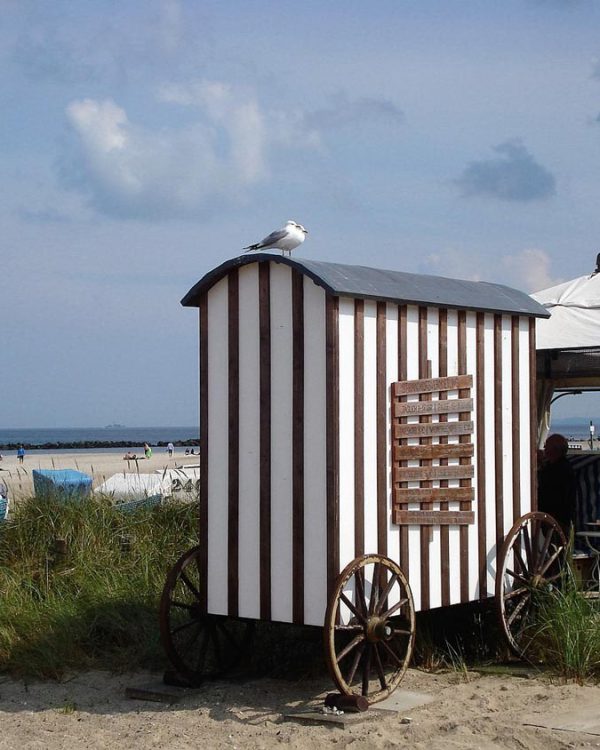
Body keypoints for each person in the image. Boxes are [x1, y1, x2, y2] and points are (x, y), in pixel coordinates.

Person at [538, 433, 576, 537]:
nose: (544, 449)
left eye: (546, 446)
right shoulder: (562, 466)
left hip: (556, 516)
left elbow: (549, 491)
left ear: (554, 450)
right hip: (558, 516)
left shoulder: (561, 469)